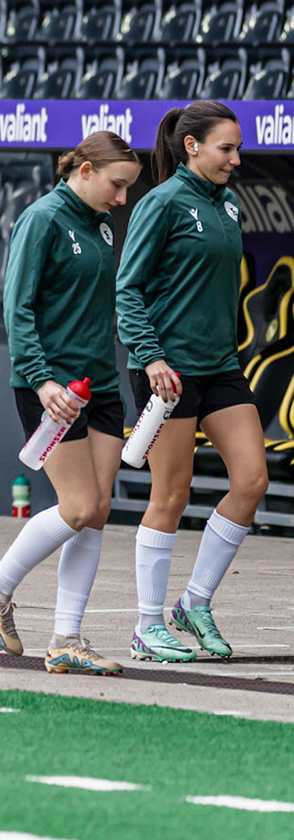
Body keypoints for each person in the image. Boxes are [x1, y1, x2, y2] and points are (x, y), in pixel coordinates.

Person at [0, 131, 141, 676]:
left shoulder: (103, 224)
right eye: (116, 186)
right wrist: (42, 381)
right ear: (84, 170)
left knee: (97, 513)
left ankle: (67, 639)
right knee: (80, 506)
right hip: (53, 389)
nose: (122, 200)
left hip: (101, 385)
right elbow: (16, 310)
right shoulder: (41, 219)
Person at [116, 101, 262, 664]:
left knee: (251, 481)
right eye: (227, 149)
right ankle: (147, 625)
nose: (236, 159)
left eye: (238, 149)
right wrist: (150, 358)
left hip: (220, 367)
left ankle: (193, 604)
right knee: (170, 496)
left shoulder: (227, 204)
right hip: (167, 373)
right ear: (192, 146)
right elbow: (128, 290)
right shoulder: (162, 202)